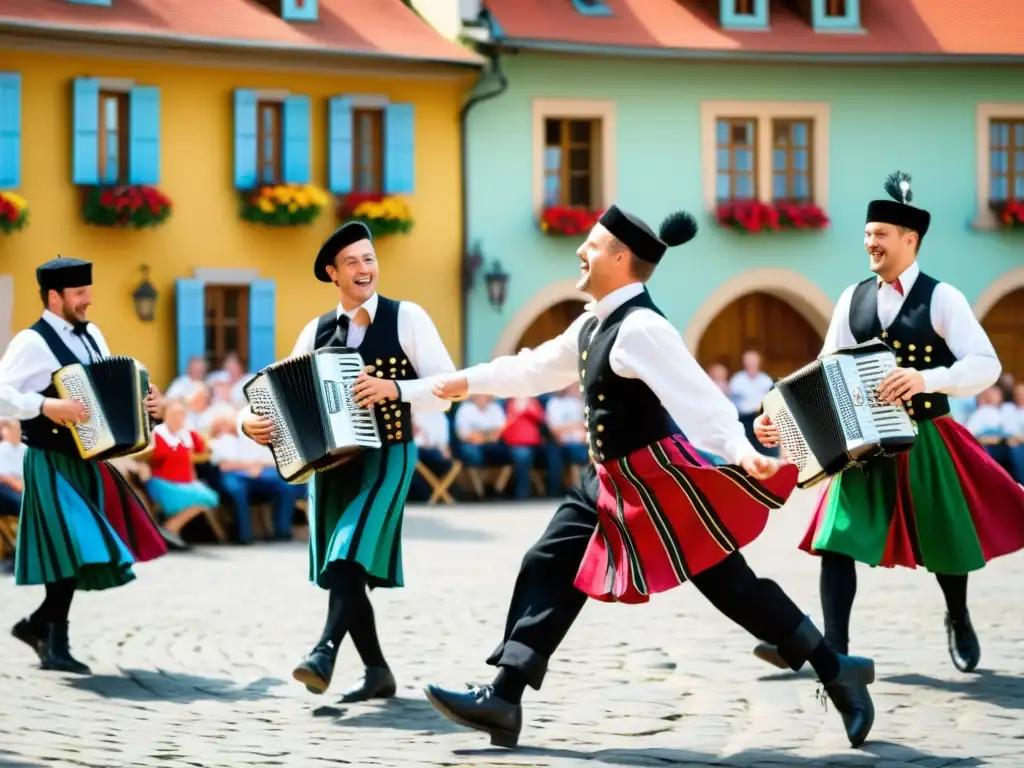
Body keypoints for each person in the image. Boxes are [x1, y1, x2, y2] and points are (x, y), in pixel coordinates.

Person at [422, 205, 876, 750]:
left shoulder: (642, 328)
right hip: (605, 482)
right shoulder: (593, 323)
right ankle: (504, 696)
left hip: (658, 482)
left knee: (732, 588)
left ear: (618, 257)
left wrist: (740, 450)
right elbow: (533, 367)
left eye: (589, 244)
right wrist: (460, 384)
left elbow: (700, 398)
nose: (580, 252)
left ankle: (835, 668)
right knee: (547, 561)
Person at [752, 171, 1024, 675]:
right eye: (867, 235)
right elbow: (822, 372)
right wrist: (776, 424)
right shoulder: (851, 299)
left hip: (926, 438)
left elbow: (984, 364)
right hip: (860, 445)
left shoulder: (943, 299)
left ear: (909, 239)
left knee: (945, 541)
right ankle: (834, 650)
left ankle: (958, 616)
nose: (869, 243)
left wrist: (927, 379)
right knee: (836, 539)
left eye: (879, 234)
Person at [239, 221, 456, 700]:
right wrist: (246, 424)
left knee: (348, 550)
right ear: (332, 274)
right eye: (353, 262)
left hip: (388, 456)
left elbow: (446, 391)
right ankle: (378, 671)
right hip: (330, 468)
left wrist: (395, 389)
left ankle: (324, 650)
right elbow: (271, 394)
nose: (365, 269)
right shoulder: (315, 330)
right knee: (344, 567)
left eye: (370, 259)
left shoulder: (408, 318)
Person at [0, 257, 168, 674]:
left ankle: (43, 630)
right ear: (54, 297)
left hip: (89, 459)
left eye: (88, 292)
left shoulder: (92, 335)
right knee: (73, 548)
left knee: (75, 552)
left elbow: (114, 391)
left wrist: (152, 408)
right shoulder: (31, 342)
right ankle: (50, 638)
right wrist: (45, 404)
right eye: (79, 294)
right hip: (50, 459)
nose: (87, 301)